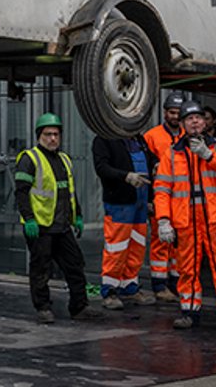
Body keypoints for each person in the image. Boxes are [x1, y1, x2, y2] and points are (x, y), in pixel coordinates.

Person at [155, 98, 216, 331]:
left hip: (215, 219)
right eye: (189, 118)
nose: (194, 122)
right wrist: (163, 220)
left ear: (205, 122)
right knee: (187, 268)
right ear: (183, 124)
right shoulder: (172, 154)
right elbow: (162, 189)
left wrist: (208, 156)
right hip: (186, 220)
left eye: (198, 118)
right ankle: (189, 312)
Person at [15, 112, 89, 323]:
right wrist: (28, 218)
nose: (53, 138)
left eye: (56, 134)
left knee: (75, 265)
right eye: (48, 134)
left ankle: (79, 307)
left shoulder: (64, 159)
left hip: (62, 226)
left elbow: (70, 192)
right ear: (39, 135)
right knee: (41, 269)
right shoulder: (30, 158)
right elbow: (21, 192)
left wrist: (78, 216)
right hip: (40, 226)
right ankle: (43, 307)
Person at [92, 127, 154, 310]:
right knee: (116, 247)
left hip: (140, 203)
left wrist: (150, 199)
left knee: (137, 246)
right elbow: (101, 168)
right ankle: (110, 290)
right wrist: (125, 176)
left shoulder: (139, 140)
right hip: (120, 202)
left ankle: (130, 286)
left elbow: (149, 166)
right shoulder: (104, 138)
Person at [141, 93, 188, 304]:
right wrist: (150, 200)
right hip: (161, 198)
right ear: (165, 113)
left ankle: (177, 284)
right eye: (172, 112)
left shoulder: (188, 135)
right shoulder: (152, 136)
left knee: (179, 245)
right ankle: (159, 286)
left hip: (183, 200)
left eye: (179, 113)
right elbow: (147, 172)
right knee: (161, 243)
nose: (175, 117)